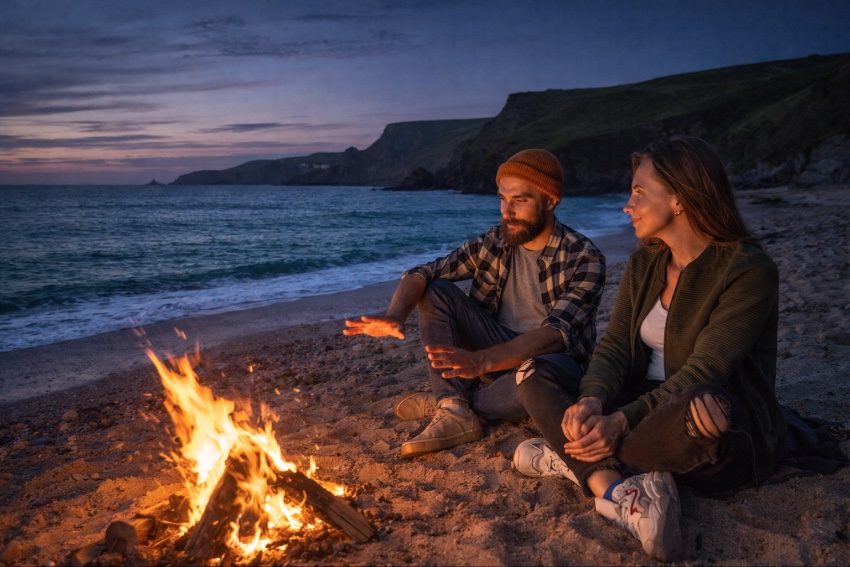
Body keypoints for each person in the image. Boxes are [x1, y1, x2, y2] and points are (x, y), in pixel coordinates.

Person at [511, 136, 787, 562]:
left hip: (705, 417)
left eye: (639, 193)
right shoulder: (646, 261)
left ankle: (568, 460)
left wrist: (619, 422)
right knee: (536, 370)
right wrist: (592, 399)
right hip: (638, 400)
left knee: (703, 408)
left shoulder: (749, 271)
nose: (627, 205)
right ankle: (615, 488)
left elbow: (706, 369)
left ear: (680, 199)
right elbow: (616, 346)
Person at [344, 149, 605, 459]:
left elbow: (555, 335)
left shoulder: (585, 259)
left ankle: (454, 403)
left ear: (551, 200)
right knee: (436, 289)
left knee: (536, 378)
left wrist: (481, 361)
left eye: (519, 200)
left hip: (550, 365)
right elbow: (422, 273)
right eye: (502, 199)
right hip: (494, 353)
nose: (506, 211)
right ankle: (454, 407)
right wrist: (395, 315)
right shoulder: (493, 242)